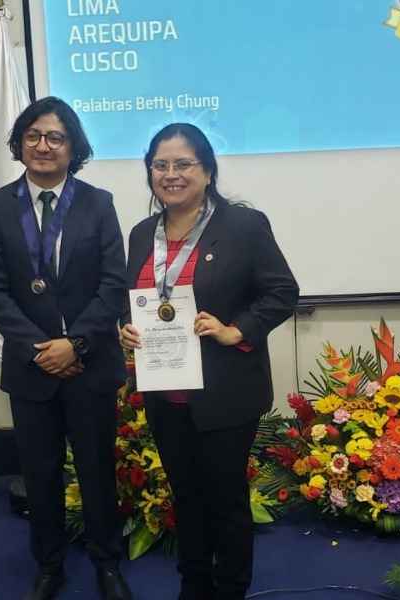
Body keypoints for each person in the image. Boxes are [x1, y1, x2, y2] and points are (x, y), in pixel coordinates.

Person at [119, 124, 299, 600]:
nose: (171, 174)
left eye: (183, 164)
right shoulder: (142, 234)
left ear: (208, 171)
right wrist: (126, 326)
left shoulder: (243, 225)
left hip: (225, 391)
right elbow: (133, 299)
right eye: (160, 165)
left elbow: (282, 291)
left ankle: (232, 587)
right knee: (186, 495)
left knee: (225, 499)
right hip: (165, 391)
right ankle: (194, 583)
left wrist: (235, 329)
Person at [0, 97, 132, 600]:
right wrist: (41, 349)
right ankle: (49, 566)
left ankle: (107, 564)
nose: (43, 145)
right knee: (40, 476)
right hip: (32, 368)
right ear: (20, 143)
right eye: (33, 136)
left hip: (90, 365)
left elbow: (114, 283)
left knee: (96, 472)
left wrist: (76, 344)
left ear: (72, 147)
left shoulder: (98, 203)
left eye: (55, 137)